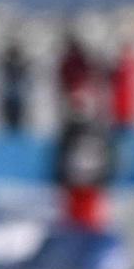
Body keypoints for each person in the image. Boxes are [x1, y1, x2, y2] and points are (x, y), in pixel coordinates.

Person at [51, 94, 118, 233]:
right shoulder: (71, 131)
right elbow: (60, 154)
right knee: (75, 215)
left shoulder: (97, 129)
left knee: (90, 214)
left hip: (90, 184)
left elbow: (109, 153)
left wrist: (105, 176)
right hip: (76, 183)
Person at [0, 28, 32, 137]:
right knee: (9, 120)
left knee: (17, 119)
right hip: (10, 95)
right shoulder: (6, 63)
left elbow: (27, 78)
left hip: (17, 95)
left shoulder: (21, 64)